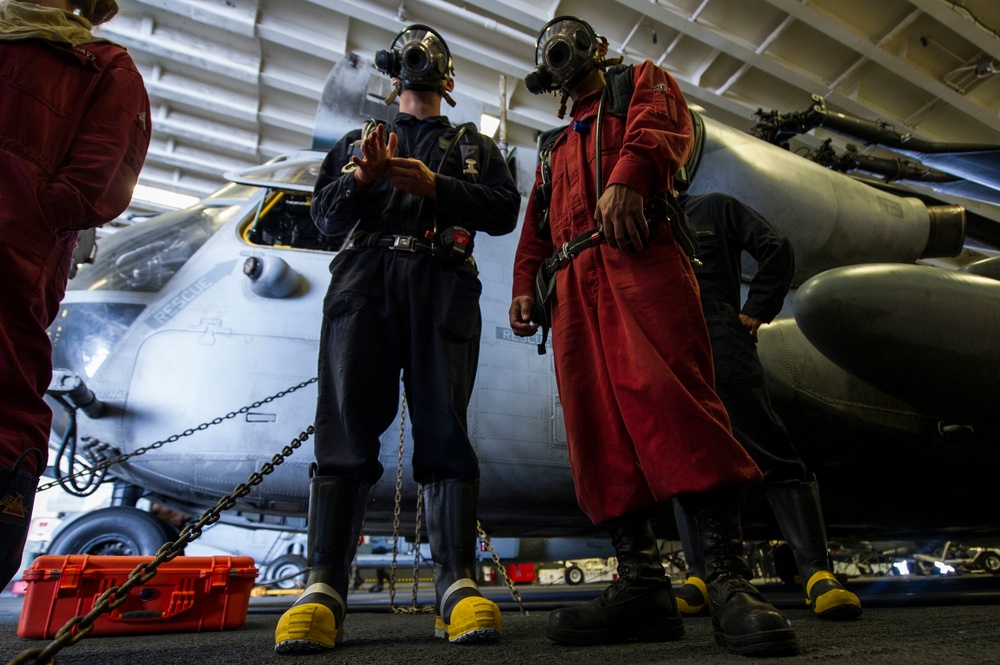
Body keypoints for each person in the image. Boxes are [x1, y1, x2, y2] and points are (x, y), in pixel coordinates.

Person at [509, 16, 798, 656]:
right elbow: (535, 227)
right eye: (549, 47)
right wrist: (524, 284)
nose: (561, 50)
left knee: (679, 404)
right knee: (597, 426)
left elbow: (669, 122)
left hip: (641, 261)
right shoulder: (552, 147)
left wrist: (628, 175)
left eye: (571, 39)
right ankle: (641, 585)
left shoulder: (640, 82)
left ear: (598, 49)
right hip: (573, 289)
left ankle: (726, 578)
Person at [273, 24, 520, 654]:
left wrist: (436, 187)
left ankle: (455, 586)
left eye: (429, 56)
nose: (419, 63)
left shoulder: (472, 147)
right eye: (409, 56)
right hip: (364, 282)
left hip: (442, 282)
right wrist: (362, 178)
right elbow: (325, 219)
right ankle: (324, 587)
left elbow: (504, 210)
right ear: (393, 77)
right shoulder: (359, 144)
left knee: (445, 429)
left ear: (449, 80)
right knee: (347, 427)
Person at [0, 0, 150, 589]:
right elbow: (97, 184)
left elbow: (96, 184)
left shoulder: (104, 66)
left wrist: (29, 211)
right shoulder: (102, 65)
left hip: (14, 261)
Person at [672, 192, 862, 621]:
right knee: (685, 461)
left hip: (720, 335)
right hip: (666, 348)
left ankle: (816, 572)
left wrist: (756, 309)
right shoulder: (634, 219)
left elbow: (775, 247)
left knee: (769, 446)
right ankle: (701, 575)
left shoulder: (715, 208)